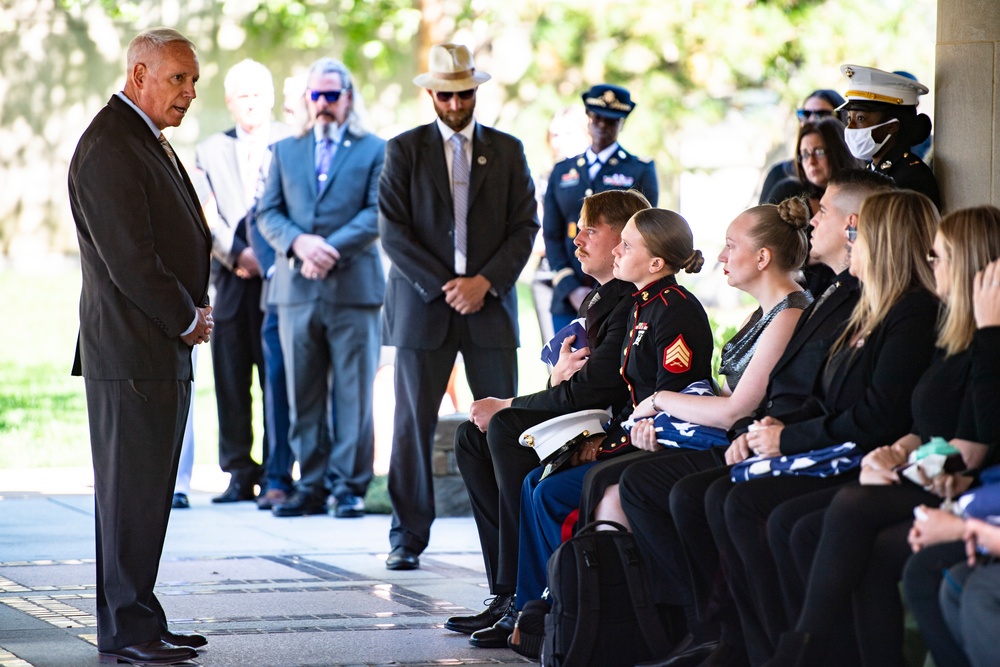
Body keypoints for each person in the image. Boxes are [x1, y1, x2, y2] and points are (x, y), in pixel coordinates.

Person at [617, 169, 895, 666]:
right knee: (632, 482)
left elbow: (757, 404)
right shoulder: (832, 294)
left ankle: (742, 640)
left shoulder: (812, 305)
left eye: (824, 212)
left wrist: (769, 432)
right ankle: (717, 633)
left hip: (800, 444)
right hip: (768, 435)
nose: (814, 220)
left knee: (691, 494)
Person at [762, 205, 1000, 667]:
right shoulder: (955, 332)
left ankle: (800, 651)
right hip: (934, 472)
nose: (933, 266)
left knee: (857, 513)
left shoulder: (978, 337)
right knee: (803, 525)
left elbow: (975, 444)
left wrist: (905, 461)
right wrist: (895, 452)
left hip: (968, 489)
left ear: (971, 265)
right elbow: (927, 425)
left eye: (942, 256)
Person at [447, 189, 650, 647]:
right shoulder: (598, 300)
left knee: (502, 426)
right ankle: (504, 591)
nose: (577, 240)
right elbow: (569, 380)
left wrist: (512, 404)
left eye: (590, 231)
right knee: (469, 438)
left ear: (624, 237)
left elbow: (598, 388)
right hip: (582, 415)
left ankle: (525, 599)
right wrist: (548, 384)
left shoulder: (629, 301)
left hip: (608, 430)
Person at [68, 27, 212, 664]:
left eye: (193, 81)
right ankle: (128, 630)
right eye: (177, 79)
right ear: (139, 75)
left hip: (153, 351)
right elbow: (132, 259)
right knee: (129, 495)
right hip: (132, 352)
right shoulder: (110, 146)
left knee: (147, 494)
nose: (188, 94)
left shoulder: (142, 139)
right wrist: (186, 318)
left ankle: (141, 617)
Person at [511, 208, 715, 647]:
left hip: (662, 446)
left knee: (553, 493)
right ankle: (532, 608)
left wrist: (606, 446)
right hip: (634, 435)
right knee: (534, 479)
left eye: (628, 245)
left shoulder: (674, 310)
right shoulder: (643, 304)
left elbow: (669, 406)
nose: (617, 250)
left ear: (656, 264)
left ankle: (579, 606)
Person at [378, 43, 539, 570]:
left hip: (490, 309)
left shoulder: (509, 151)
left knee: (503, 425)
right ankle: (406, 536)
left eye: (463, 93)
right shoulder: (403, 150)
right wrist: (448, 285)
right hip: (423, 308)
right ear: (431, 94)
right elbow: (393, 233)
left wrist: (485, 282)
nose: (454, 103)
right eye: (444, 94)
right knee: (411, 425)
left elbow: (525, 228)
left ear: (475, 91)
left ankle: (514, 535)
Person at [587, 200, 812, 532]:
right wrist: (662, 421)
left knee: (624, 486)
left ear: (762, 258)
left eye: (731, 246)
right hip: (733, 437)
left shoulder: (789, 313)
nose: (721, 255)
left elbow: (736, 411)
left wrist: (659, 402)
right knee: (606, 481)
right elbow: (723, 402)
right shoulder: (765, 312)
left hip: (754, 445)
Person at [258, 56, 385, 519]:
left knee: (353, 394)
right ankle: (309, 485)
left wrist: (328, 247)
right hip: (296, 291)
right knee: (303, 393)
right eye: (318, 95)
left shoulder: (375, 148)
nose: (325, 103)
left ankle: (349, 487)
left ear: (348, 98)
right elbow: (267, 213)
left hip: (353, 290)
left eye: (334, 95)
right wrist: (301, 244)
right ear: (307, 100)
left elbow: (378, 212)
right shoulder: (285, 151)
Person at [195, 58, 293, 504]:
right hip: (232, 282)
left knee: (279, 380)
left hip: (281, 283)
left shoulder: (292, 144)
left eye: (258, 94)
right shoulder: (209, 150)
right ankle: (238, 472)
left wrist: (268, 254)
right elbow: (204, 215)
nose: (251, 104)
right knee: (232, 381)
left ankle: (278, 472)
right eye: (242, 96)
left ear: (269, 99)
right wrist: (237, 253)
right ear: (230, 103)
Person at [544, 84, 658, 332]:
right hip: (568, 296)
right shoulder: (563, 170)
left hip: (620, 293)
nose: (602, 126)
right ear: (588, 119)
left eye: (611, 120)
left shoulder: (640, 169)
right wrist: (570, 287)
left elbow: (646, 234)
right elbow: (552, 234)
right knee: (564, 365)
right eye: (597, 117)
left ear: (622, 124)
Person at [762, 117, 861, 297]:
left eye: (819, 152)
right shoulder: (790, 191)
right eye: (805, 154)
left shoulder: (859, 192)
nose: (811, 161)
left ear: (838, 151)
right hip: (797, 294)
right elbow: (768, 248)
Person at [838, 64, 941, 208]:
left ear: (892, 126)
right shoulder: (872, 170)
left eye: (860, 119)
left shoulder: (911, 178)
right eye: (849, 119)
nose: (850, 127)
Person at [759, 90, 846, 205]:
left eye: (823, 115)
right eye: (805, 114)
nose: (812, 121)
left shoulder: (861, 178)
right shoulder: (779, 175)